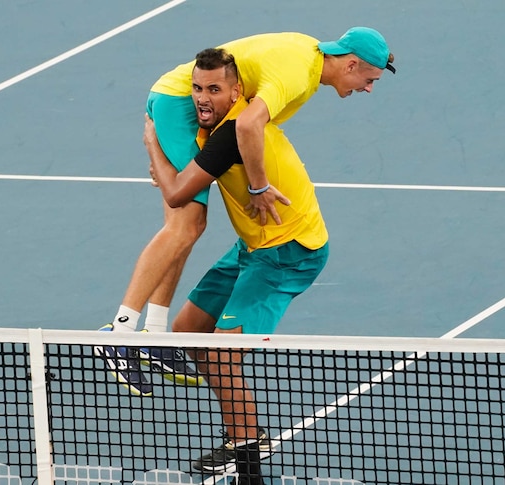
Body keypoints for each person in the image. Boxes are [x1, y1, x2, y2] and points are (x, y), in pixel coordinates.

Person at [97, 27, 396, 397]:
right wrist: (257, 187)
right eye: (370, 79)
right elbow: (248, 125)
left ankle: (155, 333)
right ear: (351, 64)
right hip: (177, 101)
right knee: (186, 222)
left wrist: (172, 162)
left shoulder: (308, 59)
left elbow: (250, 129)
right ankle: (120, 331)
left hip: (179, 102)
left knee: (191, 223)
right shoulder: (296, 74)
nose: (369, 88)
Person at [145, 47, 332, 485]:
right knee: (187, 332)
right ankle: (245, 433)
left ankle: (245, 443)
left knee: (222, 353)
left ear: (237, 92)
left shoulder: (232, 134)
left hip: (289, 254)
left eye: (214, 89)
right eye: (196, 89)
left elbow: (175, 194)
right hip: (253, 247)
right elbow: (181, 176)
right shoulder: (215, 132)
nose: (202, 98)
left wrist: (152, 143)